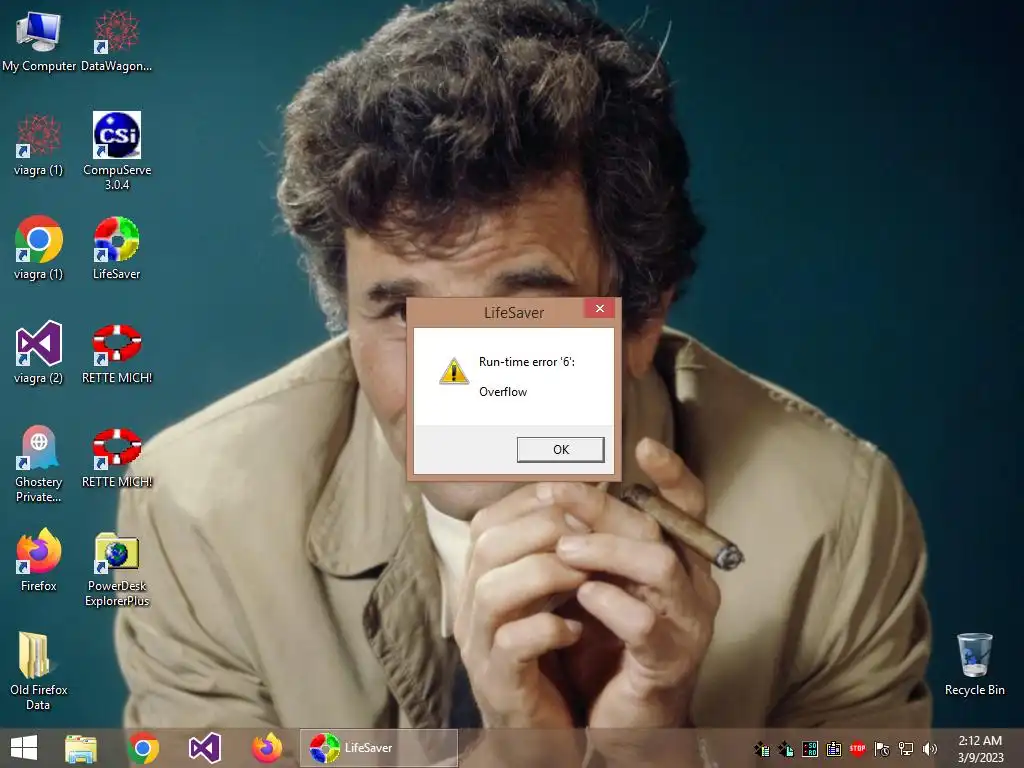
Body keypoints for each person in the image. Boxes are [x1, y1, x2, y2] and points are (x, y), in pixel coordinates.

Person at [115, 0, 931, 764]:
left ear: (641, 318)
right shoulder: (198, 510)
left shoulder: (835, 521)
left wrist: (654, 747)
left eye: (520, 311)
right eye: (402, 312)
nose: (456, 379)